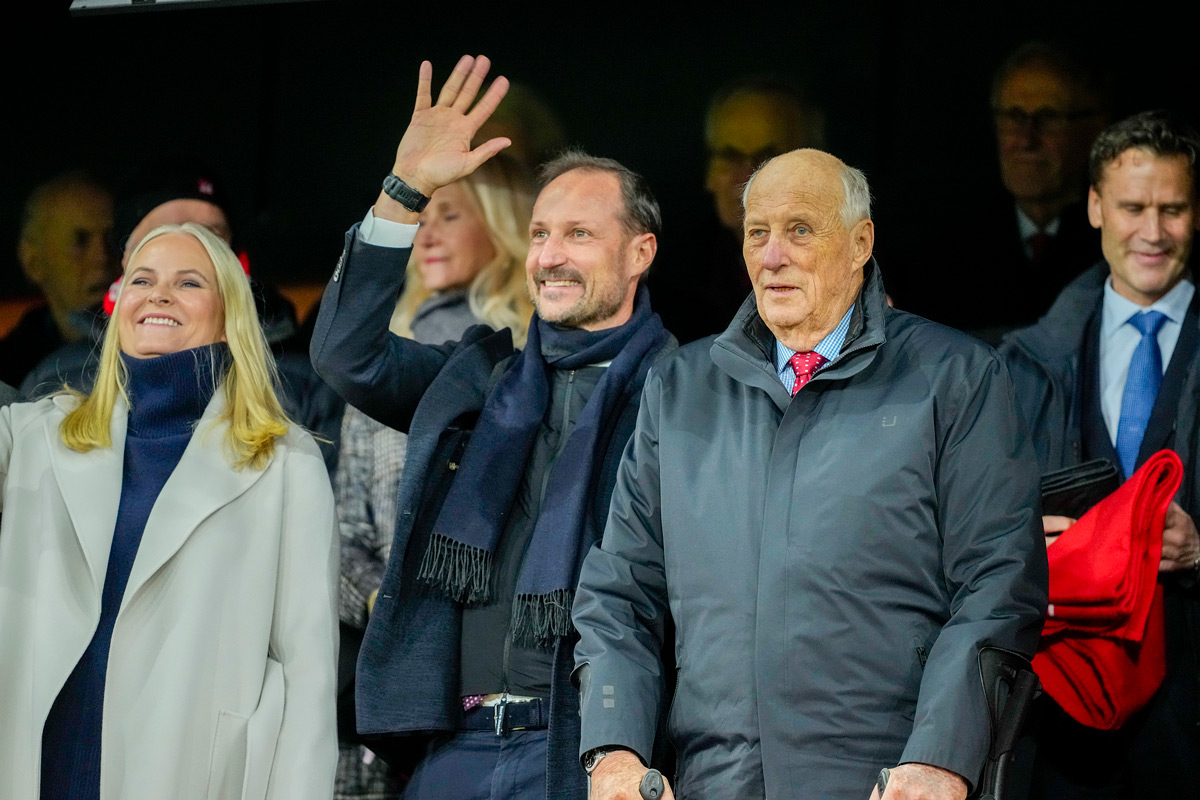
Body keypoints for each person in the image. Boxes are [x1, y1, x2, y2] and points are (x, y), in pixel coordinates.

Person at [571, 148, 1049, 800]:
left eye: (799, 230)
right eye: (757, 233)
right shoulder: (681, 388)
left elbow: (998, 585)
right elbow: (619, 592)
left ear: (860, 243)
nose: (772, 256)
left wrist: (942, 757)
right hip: (715, 783)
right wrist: (614, 749)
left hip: (886, 781)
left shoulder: (955, 378)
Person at [309, 55, 676, 800]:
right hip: (455, 747)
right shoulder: (479, 379)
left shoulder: (688, 392)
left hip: (589, 753)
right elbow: (345, 355)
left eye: (578, 234)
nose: (549, 256)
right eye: (540, 233)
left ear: (641, 252)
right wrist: (403, 191)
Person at [0, 223, 339, 800]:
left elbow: (309, 676)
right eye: (141, 279)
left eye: (188, 282)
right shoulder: (35, 435)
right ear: (118, 305)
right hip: (43, 764)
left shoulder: (286, 463)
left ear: (231, 315)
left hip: (191, 771)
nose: (158, 294)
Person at [999, 110, 1200, 799]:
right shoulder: (1025, 362)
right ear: (1093, 207)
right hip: (1062, 715)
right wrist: (1028, 541)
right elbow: (971, 525)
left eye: (1171, 209)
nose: (1152, 232)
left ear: (1197, 215)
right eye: (1133, 207)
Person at [334, 155, 535, 799]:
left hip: (499, 671)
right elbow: (345, 533)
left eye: (451, 215)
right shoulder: (393, 354)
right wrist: (387, 600)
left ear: (502, 227)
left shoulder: (531, 360)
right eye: (423, 219)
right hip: (395, 662)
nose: (430, 232)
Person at [911, 43, 1108, 340]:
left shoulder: (1119, 243)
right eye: (1014, 116)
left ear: (1095, 127)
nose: (1027, 139)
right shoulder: (946, 247)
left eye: (1049, 116)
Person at [653, 76, 827, 343]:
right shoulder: (674, 279)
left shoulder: (860, 268)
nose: (747, 178)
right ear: (710, 175)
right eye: (730, 157)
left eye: (767, 159)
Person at [1, 171, 117, 387]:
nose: (102, 256)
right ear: (34, 262)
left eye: (112, 237)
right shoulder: (9, 377)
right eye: (80, 241)